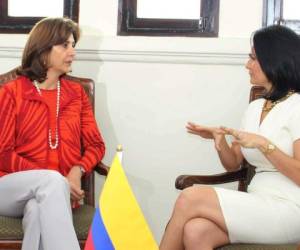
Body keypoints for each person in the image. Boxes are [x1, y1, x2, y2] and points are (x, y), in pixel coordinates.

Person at [160, 25, 300, 250]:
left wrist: (266, 146)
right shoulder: (255, 108)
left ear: (274, 59)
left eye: (253, 58)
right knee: (196, 231)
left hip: (290, 208)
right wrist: (219, 141)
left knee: (190, 197)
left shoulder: (297, 107)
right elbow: (233, 162)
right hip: (257, 202)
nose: (247, 64)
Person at [0, 17, 105, 250]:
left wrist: (77, 171)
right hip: (7, 190)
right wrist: (56, 179)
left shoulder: (76, 94)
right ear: (44, 49)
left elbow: (96, 145)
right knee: (52, 181)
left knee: (37, 211)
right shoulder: (11, 93)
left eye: (73, 46)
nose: (72, 53)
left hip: (55, 194)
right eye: (65, 45)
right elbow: (3, 153)